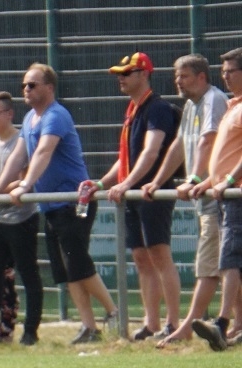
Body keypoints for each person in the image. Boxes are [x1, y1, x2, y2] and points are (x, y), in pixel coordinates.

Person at [0, 62, 117, 344]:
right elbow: (18, 157)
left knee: (78, 262)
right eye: (24, 86)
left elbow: (43, 151)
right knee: (67, 271)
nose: (26, 90)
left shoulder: (56, 115)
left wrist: (26, 184)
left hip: (72, 201)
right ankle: (89, 327)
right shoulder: (30, 118)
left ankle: (115, 313)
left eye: (32, 85)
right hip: (52, 206)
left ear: (49, 87)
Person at [144, 55, 234, 347]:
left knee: (211, 265)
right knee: (227, 264)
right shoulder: (192, 105)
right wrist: (158, 181)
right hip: (207, 196)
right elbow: (180, 145)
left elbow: (209, 140)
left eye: (183, 76)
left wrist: (195, 178)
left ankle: (187, 327)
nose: (177, 81)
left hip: (216, 196)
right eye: (176, 76)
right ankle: (234, 326)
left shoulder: (214, 100)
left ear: (201, 77)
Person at [98, 52, 181, 341]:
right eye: (119, 74)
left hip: (151, 192)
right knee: (141, 259)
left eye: (126, 73)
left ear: (144, 74)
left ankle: (174, 323)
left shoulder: (157, 108)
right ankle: (151, 323)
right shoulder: (133, 109)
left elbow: (151, 151)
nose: (120, 79)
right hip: (133, 193)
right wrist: (101, 183)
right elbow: (126, 159)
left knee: (160, 255)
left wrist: (127, 184)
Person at [0, 91, 43, 345]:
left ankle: (30, 332)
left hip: (23, 218)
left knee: (28, 273)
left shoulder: (22, 141)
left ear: (10, 114)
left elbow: (24, 179)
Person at [188, 47, 242, 351]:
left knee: (229, 260)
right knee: (234, 262)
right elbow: (228, 155)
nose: (225, 77)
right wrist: (208, 181)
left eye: (230, 71)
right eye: (223, 71)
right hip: (226, 194)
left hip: (236, 195)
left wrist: (230, 181)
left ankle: (221, 323)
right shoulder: (233, 106)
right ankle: (237, 326)